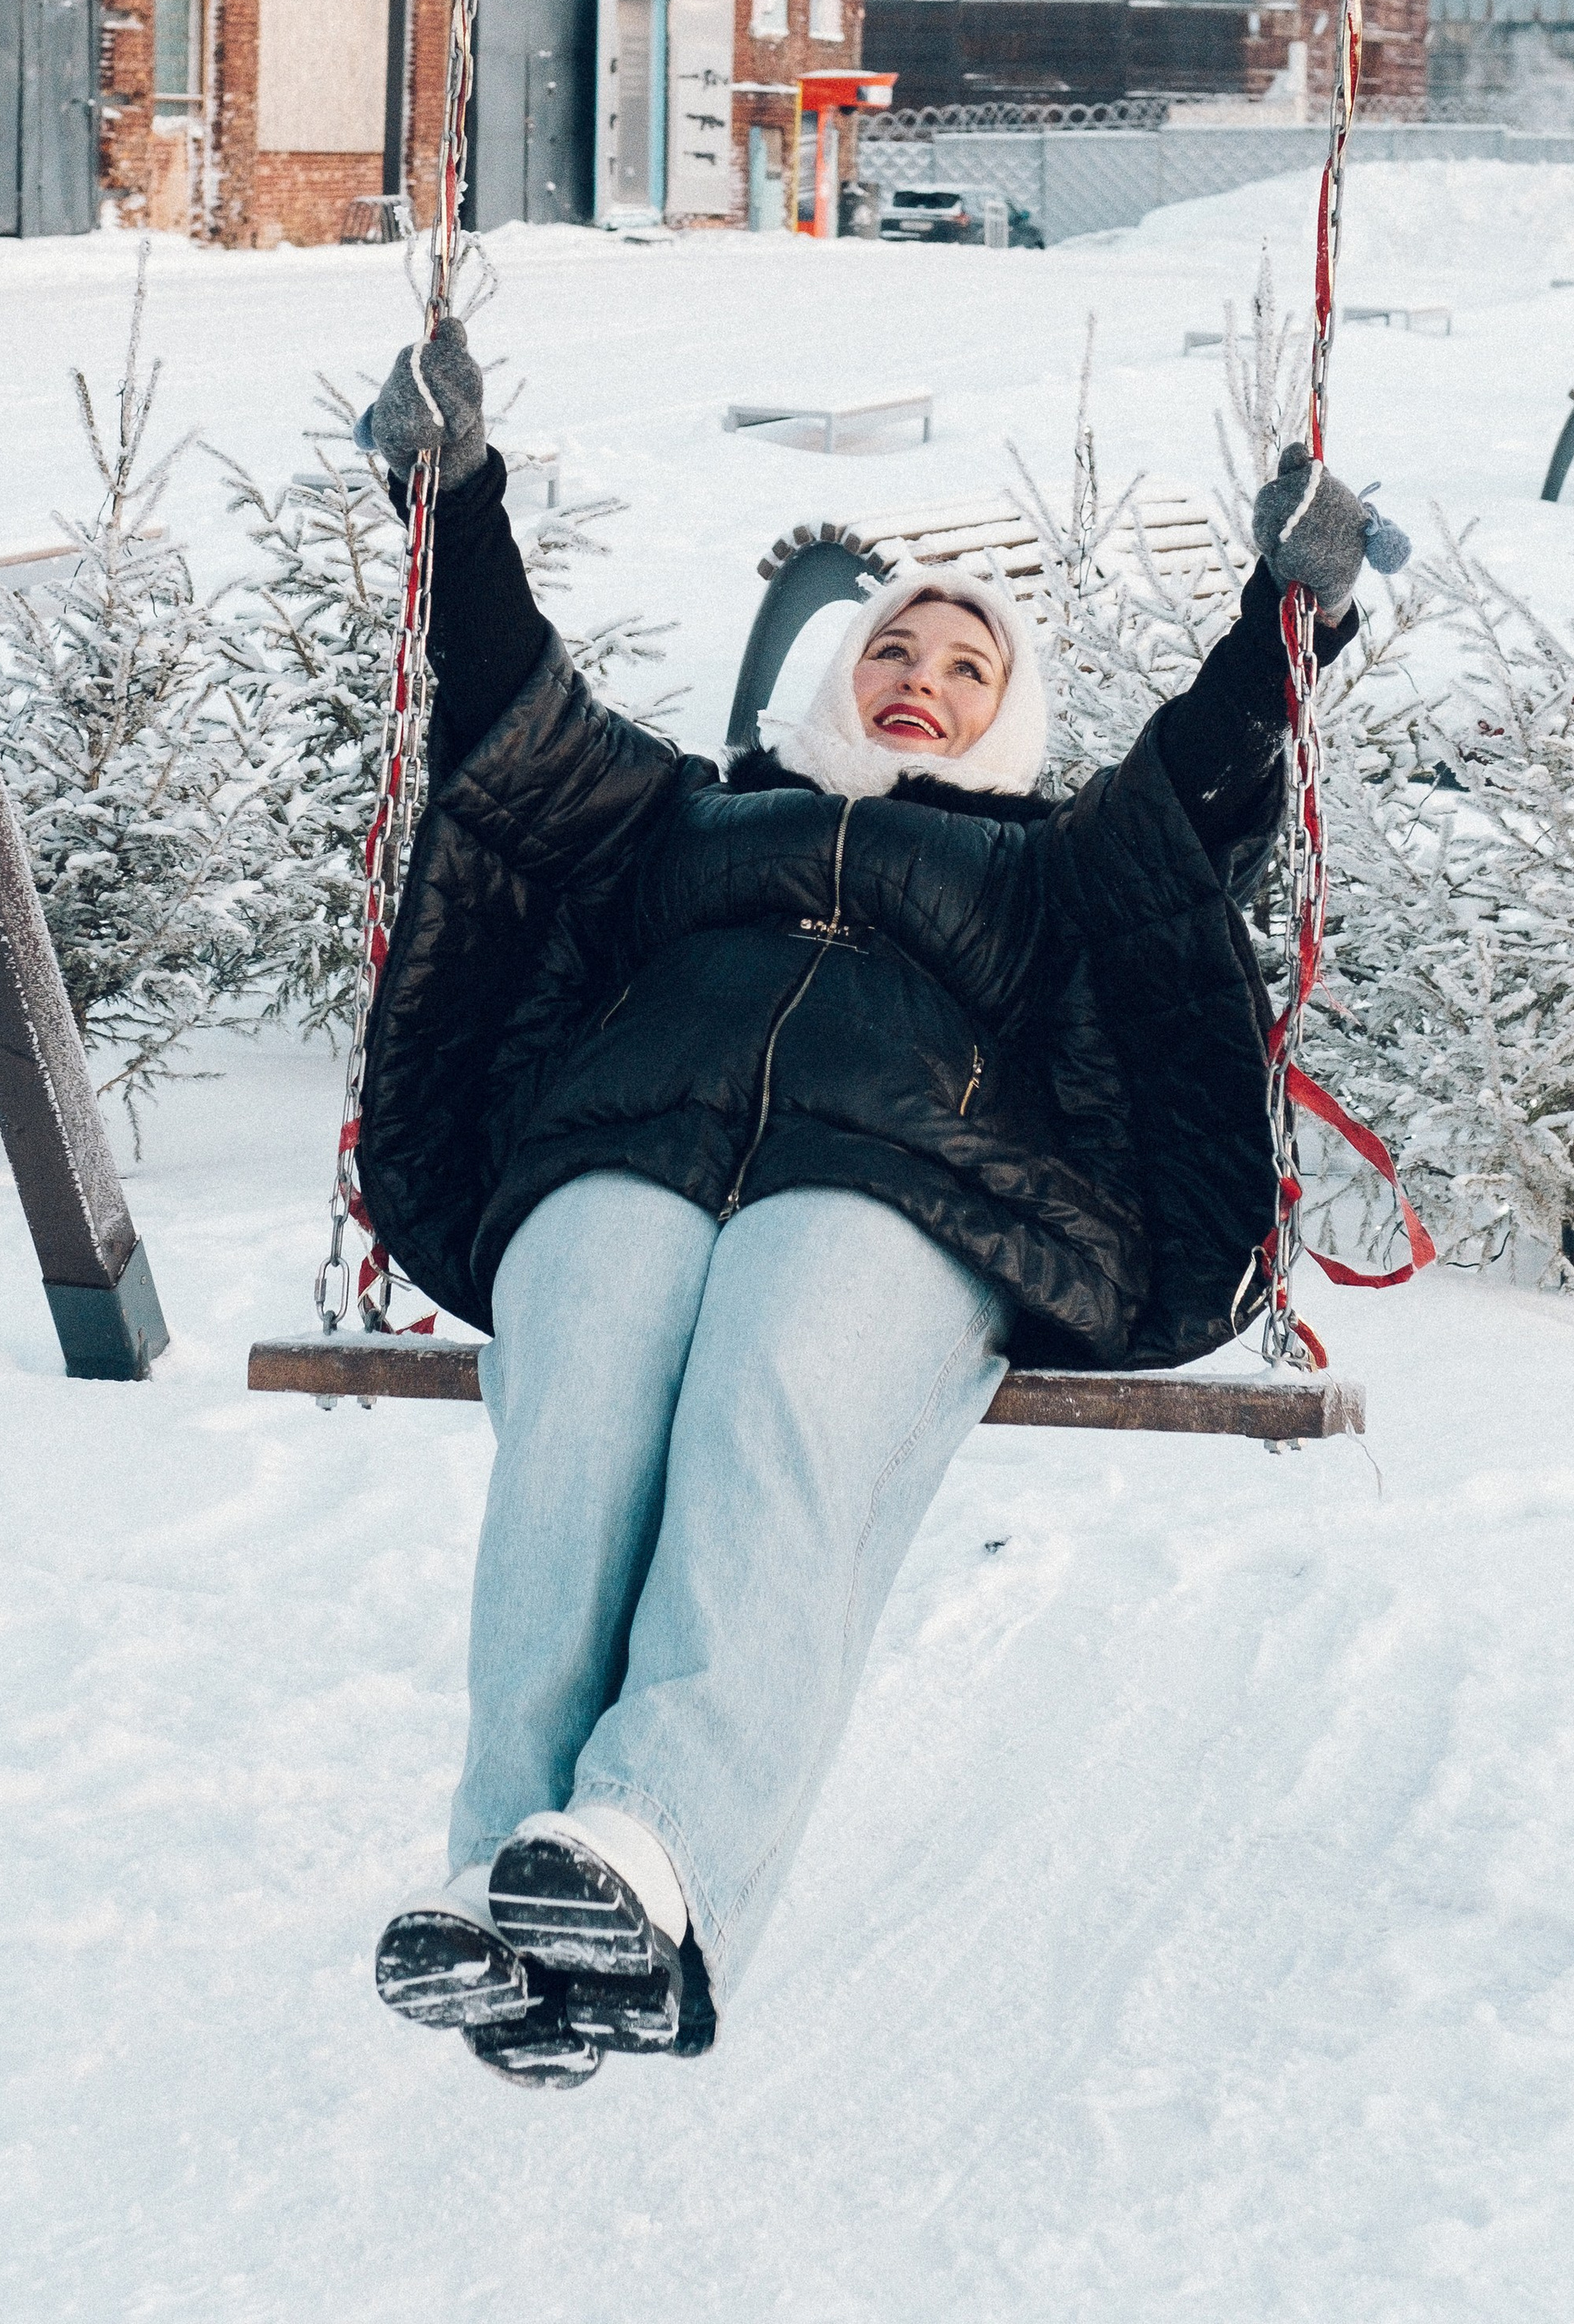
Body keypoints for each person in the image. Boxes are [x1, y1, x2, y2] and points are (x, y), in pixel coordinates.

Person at [354, 316, 1405, 2089]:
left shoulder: (1040, 865)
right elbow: (508, 704)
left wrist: (1281, 617)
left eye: (965, 666)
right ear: (832, 677)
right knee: (578, 1406)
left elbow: (1200, 795)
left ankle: (654, 1855)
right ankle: (504, 1871)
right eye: (891, 648)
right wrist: (451, 496)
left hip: (911, 1185)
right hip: (620, 1150)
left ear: (1012, 721)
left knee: (778, 1385)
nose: (920, 674)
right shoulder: (682, 818)